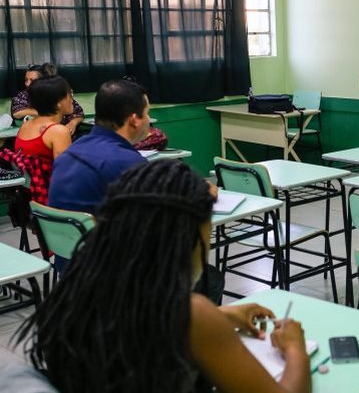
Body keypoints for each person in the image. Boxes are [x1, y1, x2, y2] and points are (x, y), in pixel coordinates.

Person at [14, 160, 311, 393]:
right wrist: (295, 347)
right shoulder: (191, 314)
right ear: (186, 236)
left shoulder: (79, 286)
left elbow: (140, 326)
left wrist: (222, 316)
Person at [48, 79, 150, 214]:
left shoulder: (69, 152)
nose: (148, 119)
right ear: (134, 120)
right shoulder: (130, 164)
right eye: (147, 113)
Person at [1, 76, 74, 204]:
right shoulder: (58, 131)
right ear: (58, 103)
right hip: (50, 199)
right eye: (69, 94)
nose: (72, 98)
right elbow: (65, 175)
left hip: (28, 197)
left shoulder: (26, 125)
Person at [11, 63, 84, 136]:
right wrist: (43, 112)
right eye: (26, 80)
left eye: (32, 80)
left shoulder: (57, 94)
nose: (27, 84)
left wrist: (73, 123)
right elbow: (16, 113)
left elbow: (78, 112)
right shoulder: (24, 96)